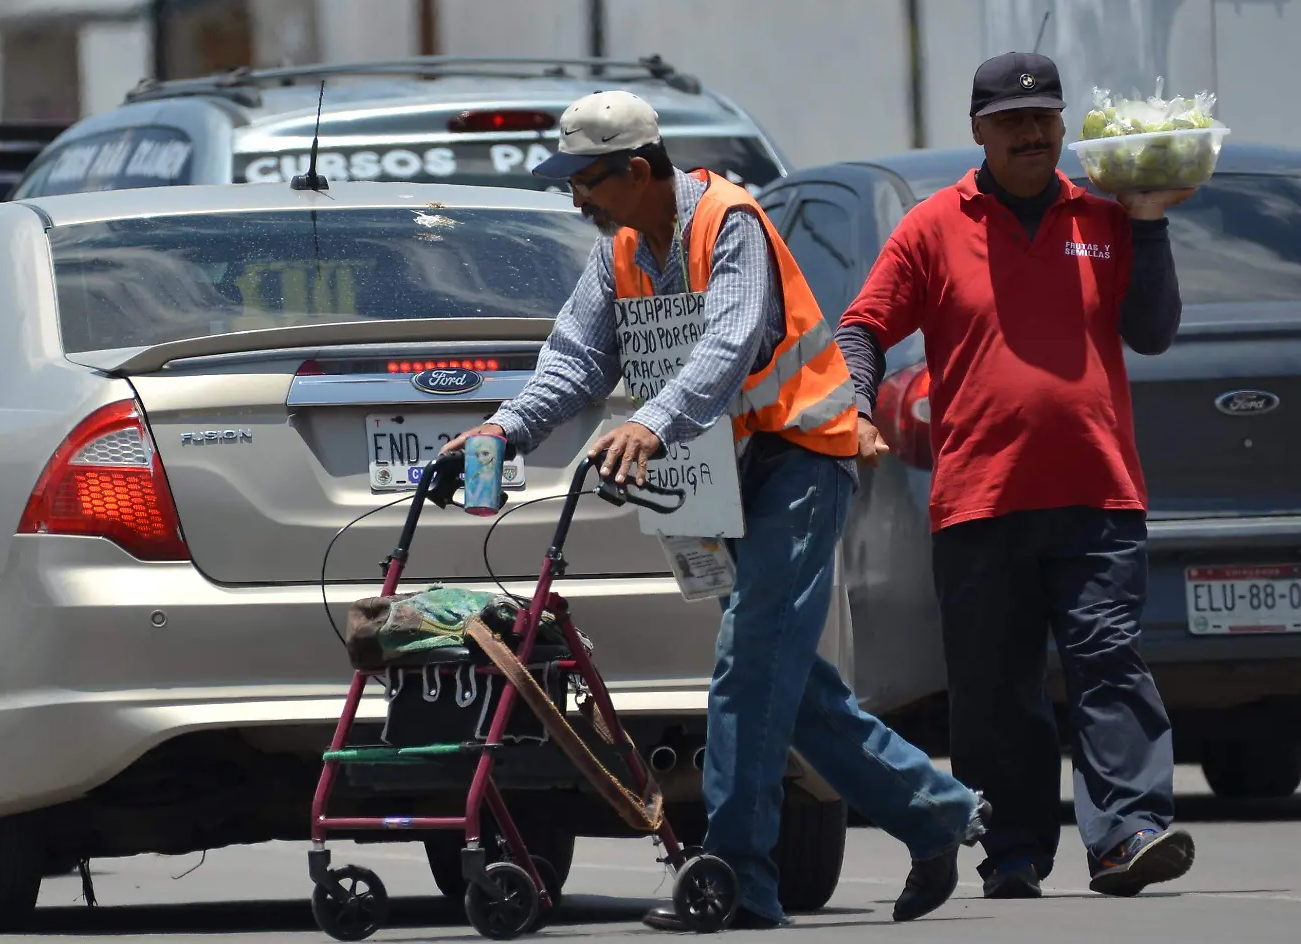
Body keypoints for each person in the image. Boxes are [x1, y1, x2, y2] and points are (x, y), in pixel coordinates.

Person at [445, 90, 989, 931]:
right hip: (721, 469)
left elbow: (729, 342)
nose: (574, 200)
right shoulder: (621, 248)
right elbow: (576, 363)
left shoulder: (729, 220)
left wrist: (653, 423)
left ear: (635, 170)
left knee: (744, 667)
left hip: (803, 455)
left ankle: (738, 879)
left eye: (584, 182)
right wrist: (501, 428)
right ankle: (932, 810)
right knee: (786, 681)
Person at [836, 51, 1196, 899]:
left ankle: (1128, 833)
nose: (1031, 134)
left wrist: (1150, 222)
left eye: (1043, 118)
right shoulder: (933, 227)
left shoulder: (1105, 217)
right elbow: (863, 327)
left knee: (1108, 658)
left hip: (1098, 490)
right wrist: (854, 409)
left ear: (1063, 125)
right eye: (1011, 122)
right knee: (997, 687)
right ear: (979, 132)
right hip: (979, 499)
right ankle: (1016, 849)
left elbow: (1152, 333)